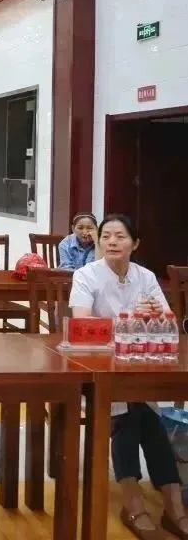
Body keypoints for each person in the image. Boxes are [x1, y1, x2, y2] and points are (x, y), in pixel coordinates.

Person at [69, 214, 188, 539]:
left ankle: (166, 506)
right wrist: (131, 324)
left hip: (139, 367)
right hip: (96, 371)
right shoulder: (86, 275)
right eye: (106, 235)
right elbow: (83, 324)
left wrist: (148, 321)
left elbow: (165, 319)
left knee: (142, 413)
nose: (111, 242)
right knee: (131, 412)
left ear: (135, 244)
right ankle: (146, 505)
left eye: (120, 236)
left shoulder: (145, 276)